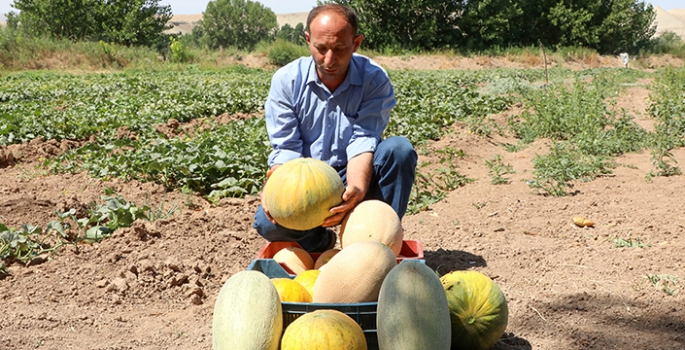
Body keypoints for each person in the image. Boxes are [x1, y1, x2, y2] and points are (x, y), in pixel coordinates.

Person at [253, 4, 417, 252]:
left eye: (340, 48)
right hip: (307, 182)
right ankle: (321, 243)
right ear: (308, 40)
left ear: (356, 43)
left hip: (354, 171)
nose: (329, 60)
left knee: (399, 150)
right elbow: (287, 148)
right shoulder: (286, 81)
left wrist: (357, 189)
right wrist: (277, 189)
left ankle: (377, 244)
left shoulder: (374, 79)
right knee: (268, 223)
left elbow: (364, 138)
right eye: (320, 48)